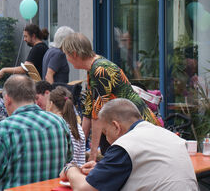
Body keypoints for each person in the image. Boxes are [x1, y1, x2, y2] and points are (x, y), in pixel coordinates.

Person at [60, 99, 198, 191]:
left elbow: (84, 188)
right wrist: (103, 168)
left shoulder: (126, 144)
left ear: (116, 126)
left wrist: (70, 168)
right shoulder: (165, 134)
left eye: (105, 132)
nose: (107, 139)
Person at [61, 33, 160, 161]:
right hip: (127, 126)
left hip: (137, 127)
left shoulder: (100, 70)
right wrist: (78, 153)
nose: (67, 59)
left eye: (66, 55)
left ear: (74, 54)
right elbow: (89, 111)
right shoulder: (93, 67)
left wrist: (92, 156)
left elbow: (97, 116)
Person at [0, 75, 72, 190]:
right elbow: (68, 158)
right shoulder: (59, 122)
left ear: (7, 99)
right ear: (34, 97)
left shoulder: (5, 128)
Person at [48, 86, 86, 167]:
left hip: (64, 174)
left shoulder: (55, 127)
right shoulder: (76, 126)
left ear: (51, 104)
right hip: (76, 174)